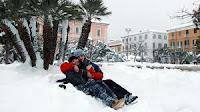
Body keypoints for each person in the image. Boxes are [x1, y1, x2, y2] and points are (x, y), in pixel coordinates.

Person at [72, 49, 138, 105]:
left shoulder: (90, 64)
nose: (80, 58)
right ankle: (116, 99)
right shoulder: (76, 65)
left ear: (84, 55)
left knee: (109, 82)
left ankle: (127, 96)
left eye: (81, 55)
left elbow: (100, 75)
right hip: (90, 84)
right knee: (102, 84)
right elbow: (65, 66)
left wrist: (92, 72)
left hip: (95, 80)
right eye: (78, 57)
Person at [58, 56, 125, 110]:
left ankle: (115, 99)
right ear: (71, 62)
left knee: (100, 82)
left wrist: (90, 72)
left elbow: (91, 75)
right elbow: (63, 67)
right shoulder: (68, 69)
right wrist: (72, 66)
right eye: (73, 61)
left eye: (76, 59)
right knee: (95, 86)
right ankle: (111, 103)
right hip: (80, 86)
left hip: (86, 84)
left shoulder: (81, 69)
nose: (76, 61)